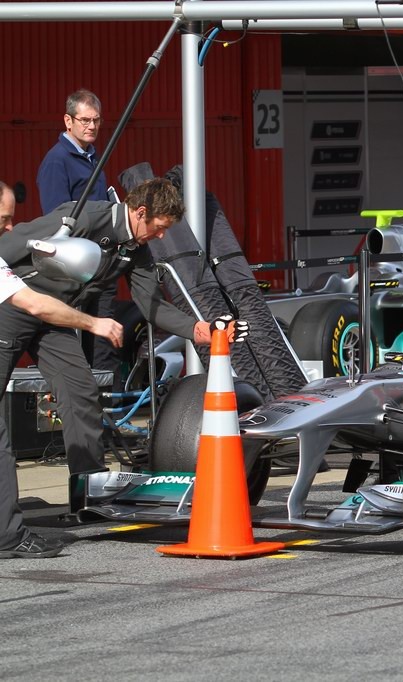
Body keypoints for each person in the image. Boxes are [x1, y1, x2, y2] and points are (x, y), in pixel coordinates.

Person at [0, 178, 231, 498]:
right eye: (160, 226)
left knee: (81, 392)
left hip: (58, 319)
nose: (162, 235)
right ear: (140, 212)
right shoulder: (82, 217)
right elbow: (12, 245)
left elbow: (151, 305)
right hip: (14, 307)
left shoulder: (137, 250)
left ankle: (88, 491)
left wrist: (196, 329)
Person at [0, 249, 124, 558]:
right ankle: (7, 537)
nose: (10, 226)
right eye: (3, 218)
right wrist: (94, 323)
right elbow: (33, 303)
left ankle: (90, 494)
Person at [37, 89, 120, 378]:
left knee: (102, 335)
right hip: (76, 270)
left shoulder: (91, 157)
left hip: (101, 262)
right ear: (67, 121)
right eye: (84, 120)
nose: (92, 126)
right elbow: (56, 219)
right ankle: (91, 393)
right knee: (83, 337)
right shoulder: (57, 161)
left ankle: (106, 393)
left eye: (96, 120)